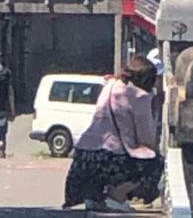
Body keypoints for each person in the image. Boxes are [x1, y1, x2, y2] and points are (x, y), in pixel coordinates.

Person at [63, 55, 163, 212]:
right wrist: (154, 149)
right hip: (111, 157)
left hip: (83, 155)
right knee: (155, 163)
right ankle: (117, 195)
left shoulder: (109, 85)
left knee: (106, 162)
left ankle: (94, 197)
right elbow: (146, 135)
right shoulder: (140, 96)